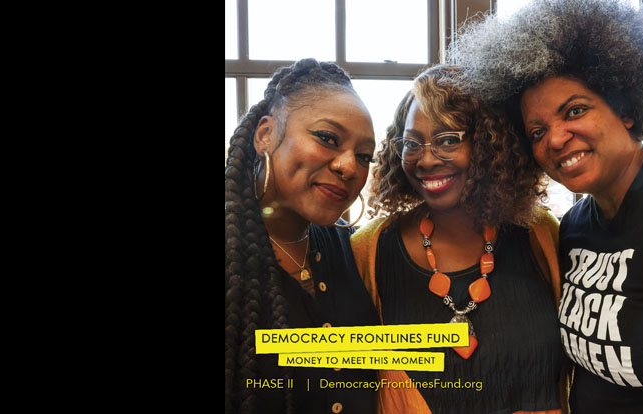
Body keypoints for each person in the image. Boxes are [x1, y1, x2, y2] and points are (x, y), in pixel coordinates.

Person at [449, 0, 643, 413]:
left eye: (575, 111)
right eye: (537, 132)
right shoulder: (573, 226)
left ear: (626, 109)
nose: (558, 138)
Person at [350, 64, 569, 414]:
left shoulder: (542, 235)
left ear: (488, 147)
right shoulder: (368, 251)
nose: (425, 159)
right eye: (412, 143)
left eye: (448, 140)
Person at [224, 58, 381, 414]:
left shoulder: (354, 253)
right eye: (327, 138)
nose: (349, 166)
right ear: (265, 134)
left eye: (364, 156)